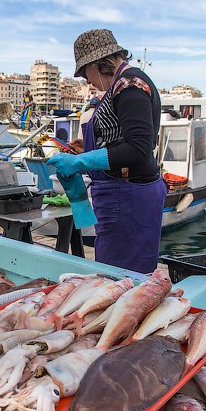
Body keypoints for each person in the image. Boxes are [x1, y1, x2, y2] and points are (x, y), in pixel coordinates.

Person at [47, 29, 166, 274]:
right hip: (122, 196)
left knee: (121, 279)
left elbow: (138, 147)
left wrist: (81, 162)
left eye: (84, 73)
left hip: (128, 198)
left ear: (97, 63)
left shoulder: (129, 85)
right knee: (114, 274)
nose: (86, 80)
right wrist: (87, 149)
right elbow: (122, 137)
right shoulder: (123, 84)